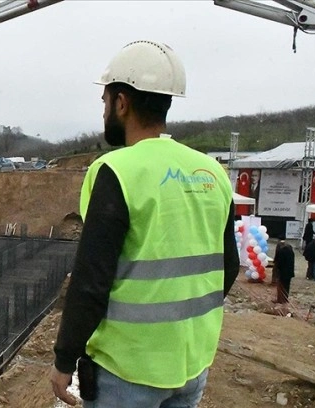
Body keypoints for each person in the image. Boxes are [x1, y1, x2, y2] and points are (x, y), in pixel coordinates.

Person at [49, 40, 240, 408]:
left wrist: (63, 359)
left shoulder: (116, 172)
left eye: (105, 102)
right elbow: (227, 266)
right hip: (192, 362)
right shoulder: (212, 172)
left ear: (121, 103)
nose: (104, 110)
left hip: (128, 370)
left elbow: (91, 281)